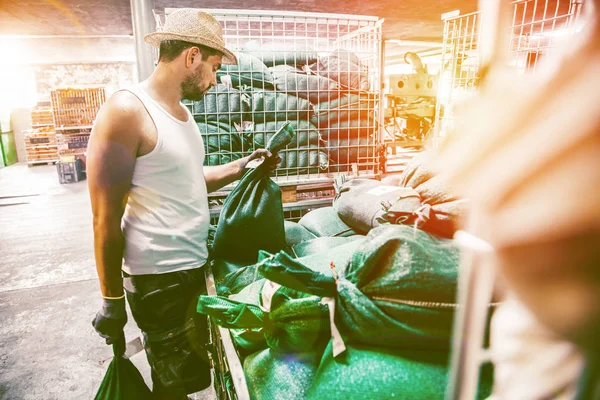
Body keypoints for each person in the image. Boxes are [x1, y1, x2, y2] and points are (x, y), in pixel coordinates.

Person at [87, 9, 280, 399]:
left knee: (189, 376)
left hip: (192, 267)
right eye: (212, 67)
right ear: (191, 57)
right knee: (172, 386)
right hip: (159, 280)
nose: (214, 80)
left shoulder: (183, 115)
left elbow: (189, 179)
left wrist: (242, 167)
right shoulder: (127, 112)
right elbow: (103, 218)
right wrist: (111, 299)